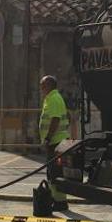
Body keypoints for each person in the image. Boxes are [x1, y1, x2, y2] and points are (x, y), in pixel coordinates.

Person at [39, 75, 71, 212]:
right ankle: (55, 198)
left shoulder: (54, 99)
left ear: (49, 85)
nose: (41, 88)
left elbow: (55, 120)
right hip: (55, 141)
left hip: (56, 141)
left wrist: (48, 138)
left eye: (42, 85)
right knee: (52, 172)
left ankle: (60, 202)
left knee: (55, 172)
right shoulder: (51, 98)